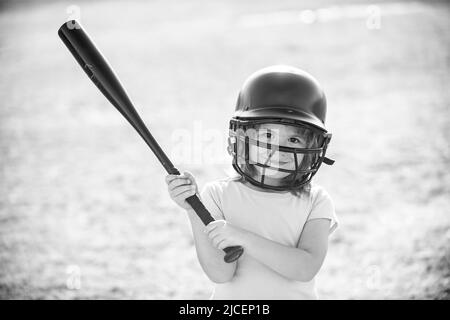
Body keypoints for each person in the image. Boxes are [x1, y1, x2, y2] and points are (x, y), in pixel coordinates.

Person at [165, 65, 338, 299]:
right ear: (242, 138)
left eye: (294, 139)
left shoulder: (316, 201)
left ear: (312, 148)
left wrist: (241, 237)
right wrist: (194, 209)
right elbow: (220, 273)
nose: (278, 150)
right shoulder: (218, 194)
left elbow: (305, 268)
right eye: (267, 136)